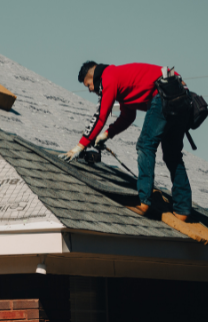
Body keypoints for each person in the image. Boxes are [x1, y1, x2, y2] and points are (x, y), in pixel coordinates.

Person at [61, 61, 192, 222]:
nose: (90, 90)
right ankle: (182, 210)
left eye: (88, 85)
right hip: (180, 93)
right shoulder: (121, 80)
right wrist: (107, 134)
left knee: (145, 145)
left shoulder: (108, 77)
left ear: (93, 77)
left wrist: (80, 145)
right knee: (172, 155)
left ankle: (144, 202)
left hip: (164, 93)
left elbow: (100, 115)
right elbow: (128, 116)